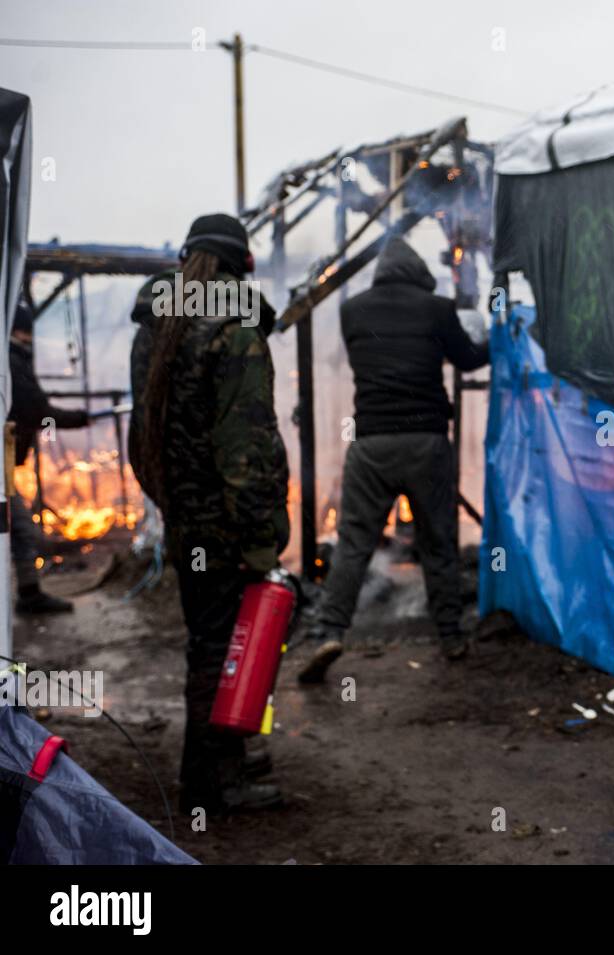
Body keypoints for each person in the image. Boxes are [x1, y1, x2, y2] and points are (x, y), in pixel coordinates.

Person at [128, 213, 289, 812]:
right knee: (231, 648)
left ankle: (227, 759)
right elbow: (245, 447)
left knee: (210, 642)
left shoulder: (155, 328)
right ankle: (211, 782)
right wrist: (258, 533)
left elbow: (140, 437)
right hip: (227, 526)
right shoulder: (235, 330)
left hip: (187, 521)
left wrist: (175, 503)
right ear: (242, 265)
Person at [297, 237, 489, 684]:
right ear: (419, 273)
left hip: (371, 444)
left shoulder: (352, 311)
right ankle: (451, 635)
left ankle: (329, 629)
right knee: (437, 542)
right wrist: (497, 338)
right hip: (426, 442)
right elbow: (467, 359)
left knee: (354, 543)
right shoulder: (437, 309)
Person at [7, 299, 90, 614]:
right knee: (23, 531)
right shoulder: (12, 361)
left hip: (7, 463)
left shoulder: (12, 360)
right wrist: (79, 418)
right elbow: (38, 411)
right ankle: (29, 595)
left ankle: (29, 592)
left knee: (19, 531)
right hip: (2, 466)